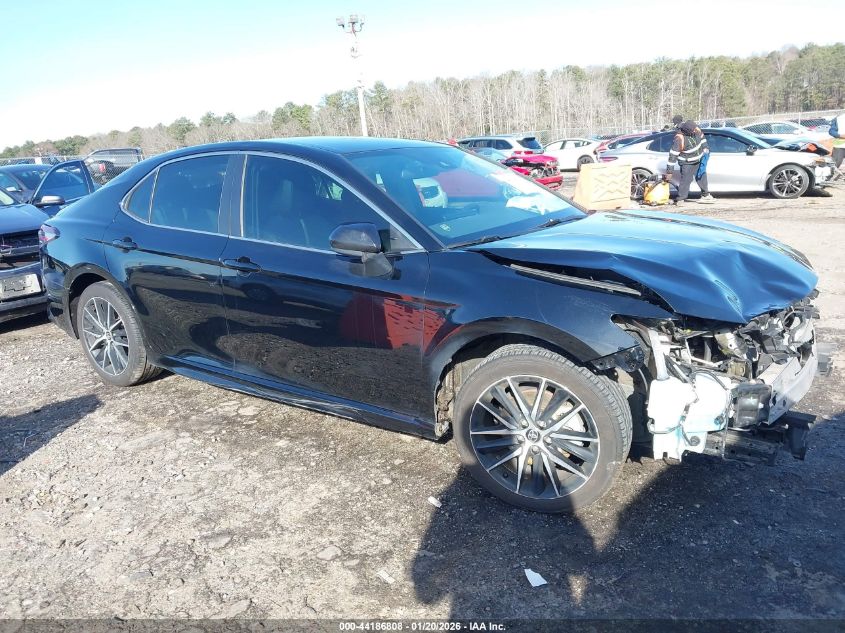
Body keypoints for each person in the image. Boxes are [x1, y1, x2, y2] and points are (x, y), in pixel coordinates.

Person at [664, 114, 714, 205]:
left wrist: (705, 148)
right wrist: (669, 171)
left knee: (702, 177)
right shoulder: (679, 138)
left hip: (699, 159)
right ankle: (681, 199)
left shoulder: (696, 129)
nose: (696, 131)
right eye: (694, 131)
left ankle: (706, 195)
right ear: (688, 132)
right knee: (686, 180)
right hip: (686, 162)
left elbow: (703, 139)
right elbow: (673, 155)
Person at [831, 111, 845, 181]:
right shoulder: (839, 119)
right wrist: (840, 136)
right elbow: (831, 131)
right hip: (840, 146)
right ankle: (828, 178)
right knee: (835, 164)